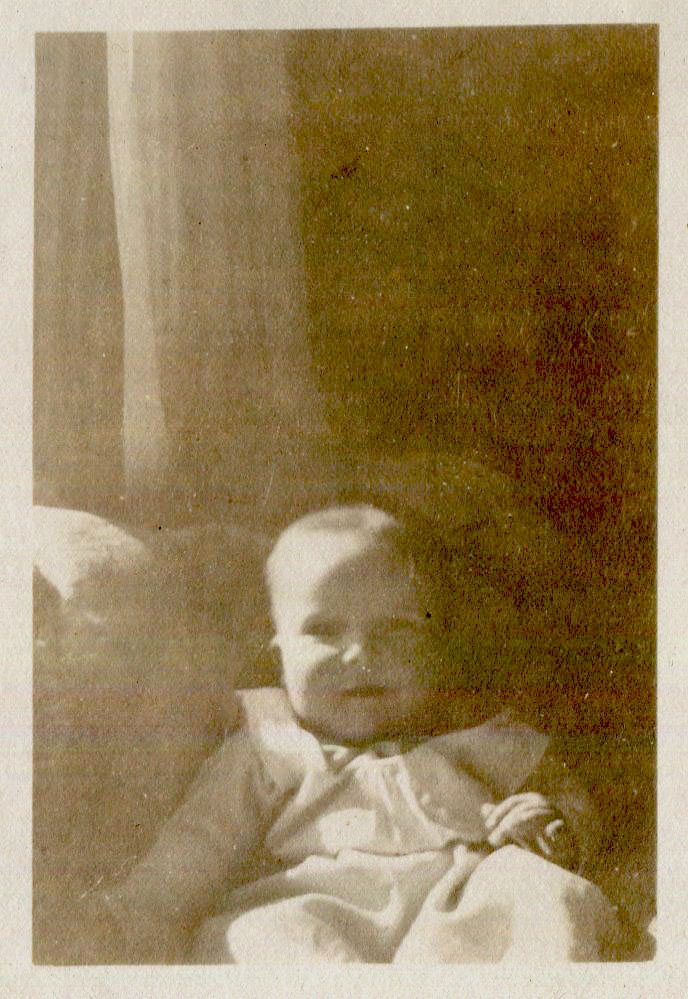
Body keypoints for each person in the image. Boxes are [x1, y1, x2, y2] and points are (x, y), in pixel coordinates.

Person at [83, 504, 619, 963]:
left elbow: (570, 800)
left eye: (396, 631)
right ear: (280, 654)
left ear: (436, 650)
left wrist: (556, 823)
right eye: (323, 631)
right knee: (250, 935)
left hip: (455, 911)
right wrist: (139, 919)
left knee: (544, 892)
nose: (361, 653)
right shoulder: (269, 746)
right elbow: (195, 849)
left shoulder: (476, 735)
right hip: (313, 915)